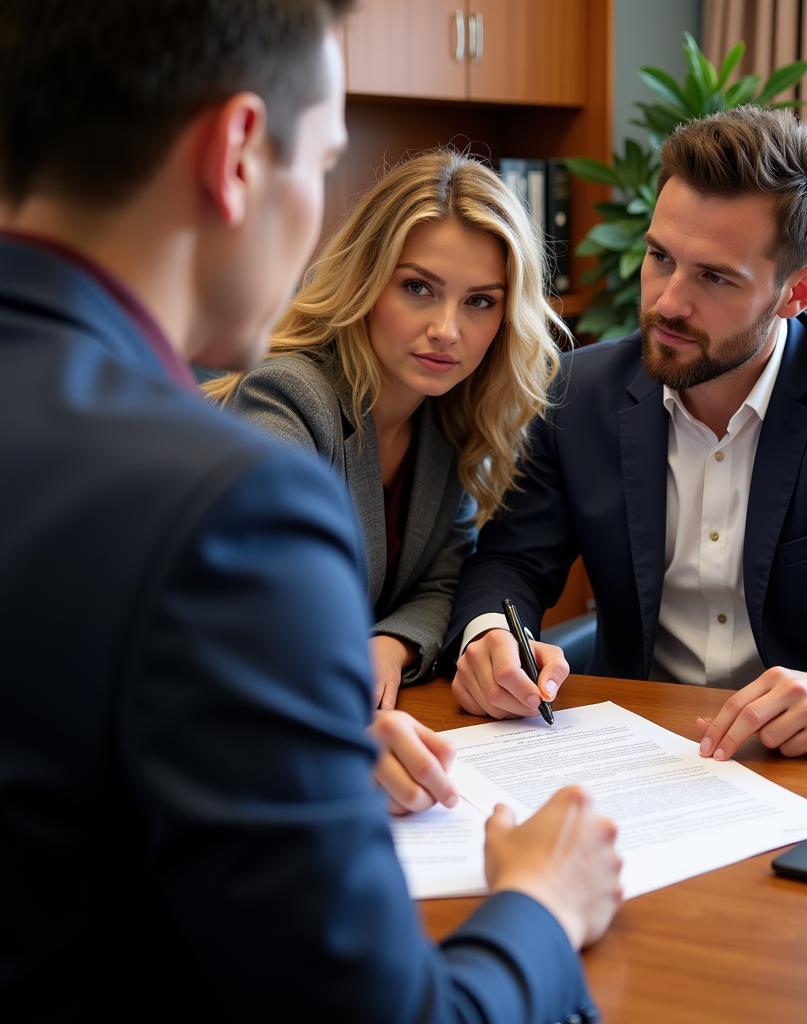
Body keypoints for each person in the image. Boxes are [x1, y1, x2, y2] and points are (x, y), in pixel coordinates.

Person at [0, 3, 620, 1021]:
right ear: (239, 152)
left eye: (477, 303)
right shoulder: (232, 497)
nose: (445, 328)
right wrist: (542, 903)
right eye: (324, 159)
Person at [444, 104, 807, 761]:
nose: (666, 301)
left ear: (796, 293)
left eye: (714, 278)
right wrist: (491, 634)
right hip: (637, 752)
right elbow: (510, 562)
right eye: (660, 258)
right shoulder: (578, 393)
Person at [207, 150, 564, 710]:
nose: (447, 330)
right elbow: (264, 603)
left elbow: (443, 584)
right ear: (368, 280)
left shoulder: (449, 418)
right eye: (418, 288)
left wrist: (393, 644)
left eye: (479, 302)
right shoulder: (287, 400)